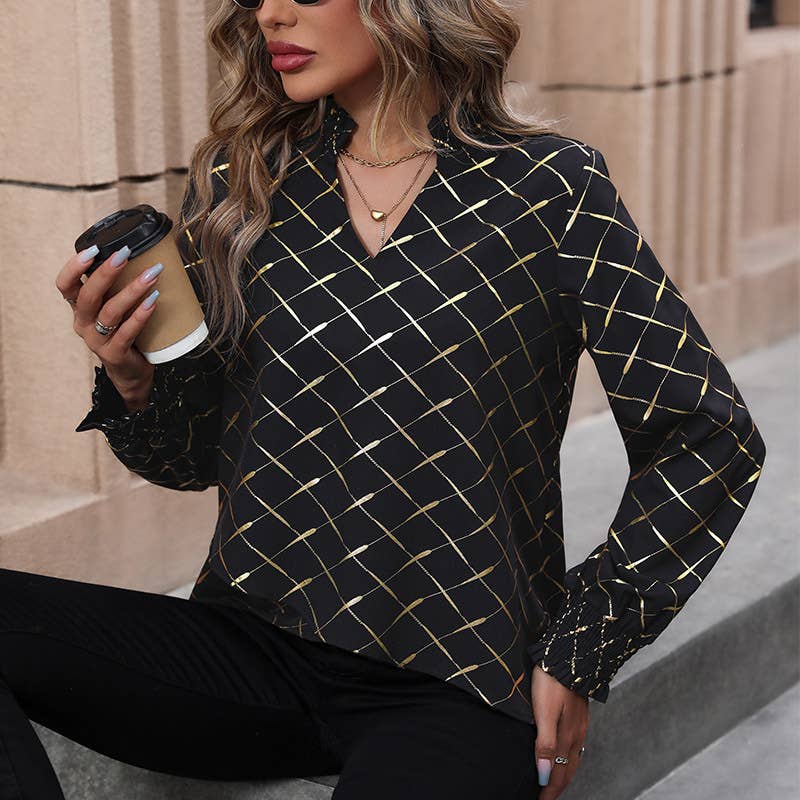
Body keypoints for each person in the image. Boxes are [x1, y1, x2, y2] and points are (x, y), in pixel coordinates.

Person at [17, 0, 764, 798]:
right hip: (255, 647)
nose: (271, 14)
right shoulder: (245, 184)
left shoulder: (549, 187)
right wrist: (134, 382)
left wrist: (582, 647)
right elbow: (197, 458)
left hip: (459, 676)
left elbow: (707, 433)